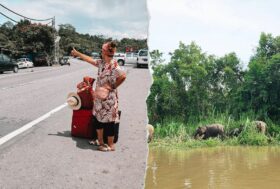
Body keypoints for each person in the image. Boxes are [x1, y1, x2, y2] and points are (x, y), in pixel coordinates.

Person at [71, 41, 126, 152]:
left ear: (105, 52)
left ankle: (110, 146)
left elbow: (123, 76)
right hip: (99, 99)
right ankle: (100, 142)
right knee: (97, 120)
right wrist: (78, 54)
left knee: (109, 122)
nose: (101, 51)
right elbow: (89, 59)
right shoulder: (101, 63)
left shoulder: (114, 65)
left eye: (102, 50)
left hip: (109, 99)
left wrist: (112, 86)